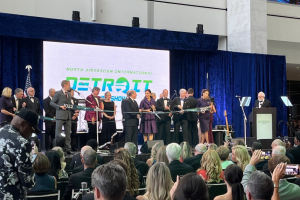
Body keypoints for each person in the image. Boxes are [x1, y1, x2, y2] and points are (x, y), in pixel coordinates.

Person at [0, 108, 40, 199]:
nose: (31, 134)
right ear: (22, 124)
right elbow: (28, 182)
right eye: (32, 130)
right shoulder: (22, 144)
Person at [50, 80, 73, 154]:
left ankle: (68, 148)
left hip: (68, 116)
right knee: (58, 133)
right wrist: (59, 106)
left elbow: (69, 104)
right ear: (65, 85)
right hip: (60, 115)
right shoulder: (58, 93)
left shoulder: (69, 94)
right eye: (69, 85)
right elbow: (52, 103)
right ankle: (57, 148)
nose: (70, 86)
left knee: (68, 133)